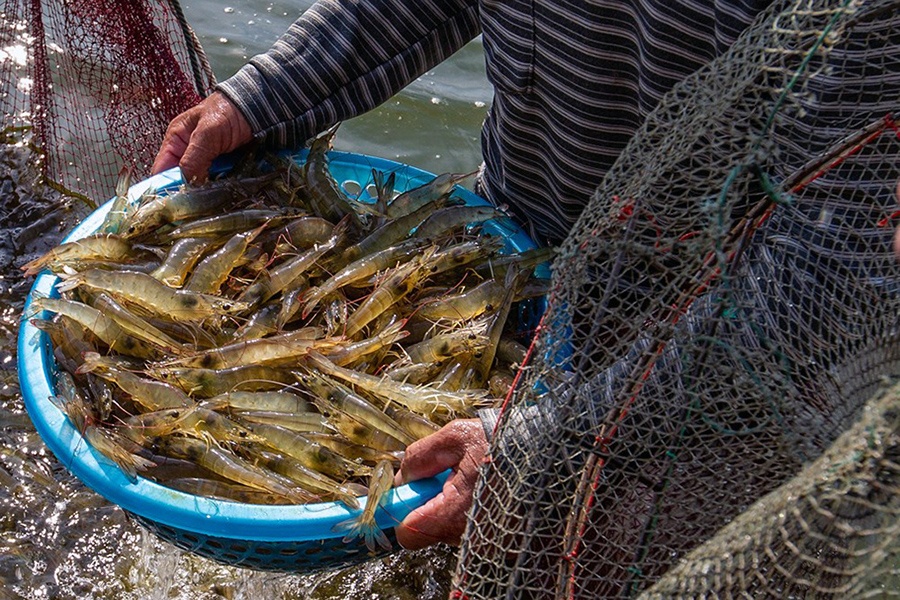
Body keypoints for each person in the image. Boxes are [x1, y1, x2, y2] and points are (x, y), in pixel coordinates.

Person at [153, 0, 799, 551]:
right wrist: (260, 98)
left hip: (702, 356)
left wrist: (556, 437)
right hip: (506, 263)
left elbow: (819, 275)